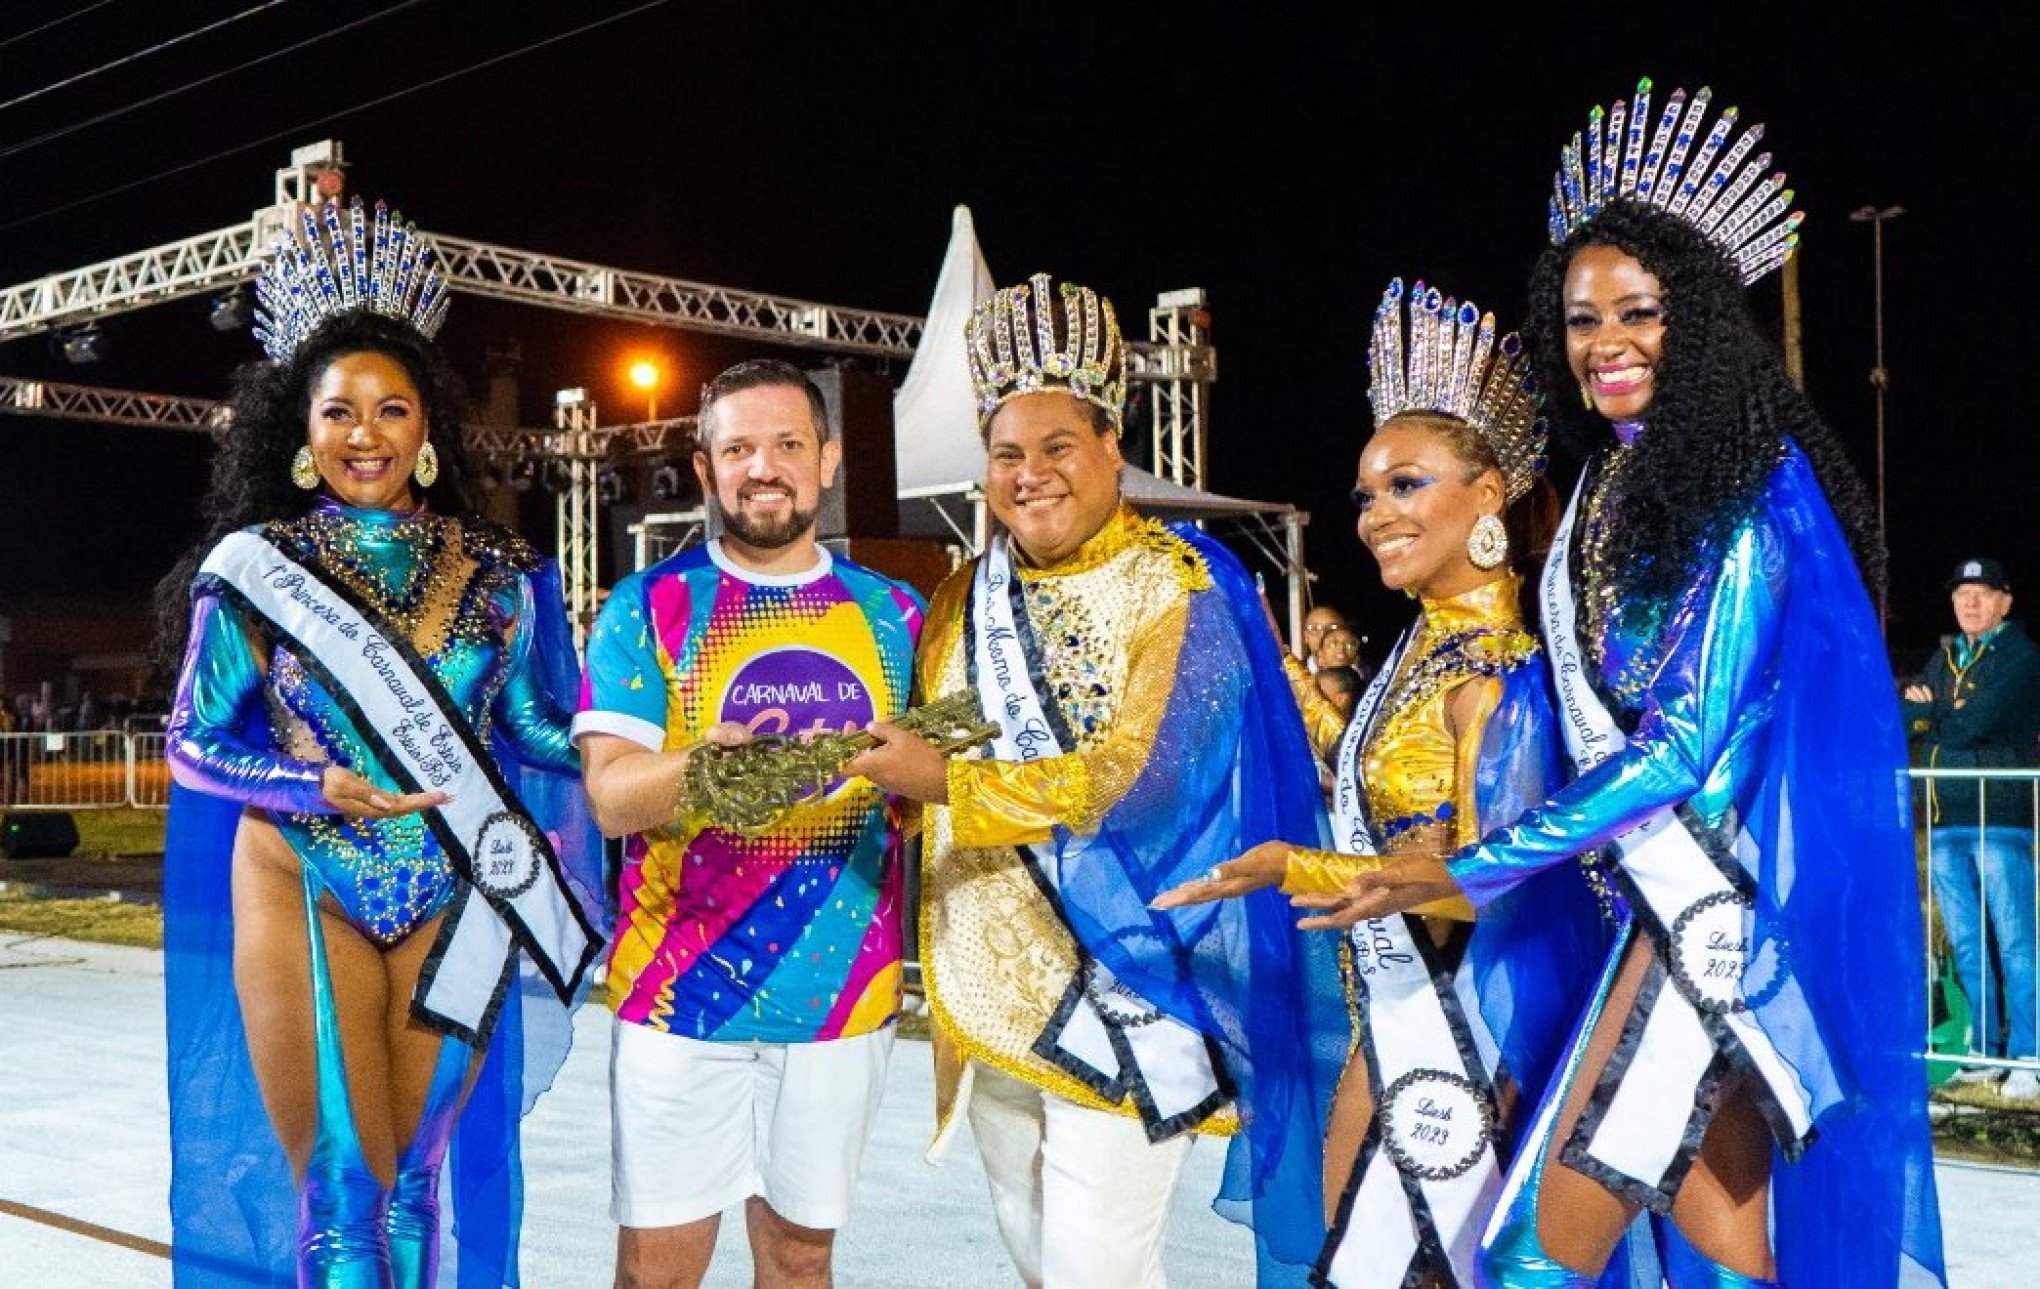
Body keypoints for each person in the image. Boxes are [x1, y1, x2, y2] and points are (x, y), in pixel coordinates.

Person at [1307, 79, 1947, 1287]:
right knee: (1722, 1243)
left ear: (1695, 319)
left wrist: (1475, 862)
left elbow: (1684, 741)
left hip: (1716, 914)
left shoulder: (1750, 494)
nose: (1605, 341)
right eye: (1582, 316)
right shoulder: (1606, 488)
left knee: (1541, 1250)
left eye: (1639, 312)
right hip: (1643, 913)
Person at [847, 273, 1344, 1286]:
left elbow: (1143, 781)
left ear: (1114, 446)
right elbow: (944, 733)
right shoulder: (959, 597)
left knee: (1095, 1270)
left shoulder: (1182, 584)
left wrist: (944, 779)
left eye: (1058, 447)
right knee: (1044, 1267)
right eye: (1007, 454)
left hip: (1129, 983)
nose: (1030, 474)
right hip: (985, 991)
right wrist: (837, 761)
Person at [157, 197, 602, 1286]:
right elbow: (192, 738)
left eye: (390, 409)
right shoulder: (257, 565)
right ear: (299, 432)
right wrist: (313, 781)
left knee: (416, 1177)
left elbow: (543, 727)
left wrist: (655, 741)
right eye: (339, 411)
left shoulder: (507, 571)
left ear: (428, 428)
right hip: (307, 871)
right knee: (345, 1187)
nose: (365, 434)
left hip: (457, 890)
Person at [1155, 279, 1609, 1287]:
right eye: (1366, 493)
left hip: (1468, 1037)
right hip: (1387, 1019)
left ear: (1487, 497)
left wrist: (1294, 864)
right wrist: (1275, 669)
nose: (1374, 516)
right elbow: (1372, 778)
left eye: (1406, 486)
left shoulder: (1502, 677)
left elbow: (1488, 883)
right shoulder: (1419, 649)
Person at [576, 358, 925, 1289]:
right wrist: (705, 772)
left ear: (829, 459)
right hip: (677, 994)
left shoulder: (896, 616)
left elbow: (945, 782)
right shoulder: (647, 606)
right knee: (657, 1269)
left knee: (803, 1261)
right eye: (737, 448)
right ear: (704, 469)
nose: (762, 467)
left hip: (842, 993)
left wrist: (885, 760)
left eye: (785, 444)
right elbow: (610, 796)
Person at [1904, 556, 2040, 1098]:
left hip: (2000, 818)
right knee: (1966, 944)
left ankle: (2028, 1054)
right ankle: (1981, 1052)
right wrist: (1931, 713)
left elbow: (1973, 723)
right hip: (1945, 820)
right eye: (1962, 594)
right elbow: (1906, 718)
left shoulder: (2020, 657)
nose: (1970, 603)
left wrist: (1932, 716)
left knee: (2015, 942)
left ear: (2006, 601)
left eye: (1982, 594)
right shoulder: (1946, 658)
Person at [1302, 604, 1352, 674]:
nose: (1323, 635)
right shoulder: (1289, 676)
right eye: (1315, 628)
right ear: (1306, 636)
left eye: (1332, 628)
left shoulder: (1366, 676)